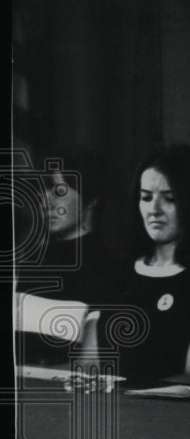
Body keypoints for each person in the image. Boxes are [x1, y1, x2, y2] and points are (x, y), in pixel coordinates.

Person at [86, 145, 190, 383]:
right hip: (109, 410)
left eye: (169, 199)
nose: (154, 210)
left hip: (167, 413)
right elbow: (87, 366)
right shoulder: (114, 271)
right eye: (146, 197)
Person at [16, 145, 119, 365]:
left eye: (58, 191)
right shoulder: (29, 263)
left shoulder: (111, 267)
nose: (46, 201)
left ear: (91, 199)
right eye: (42, 190)